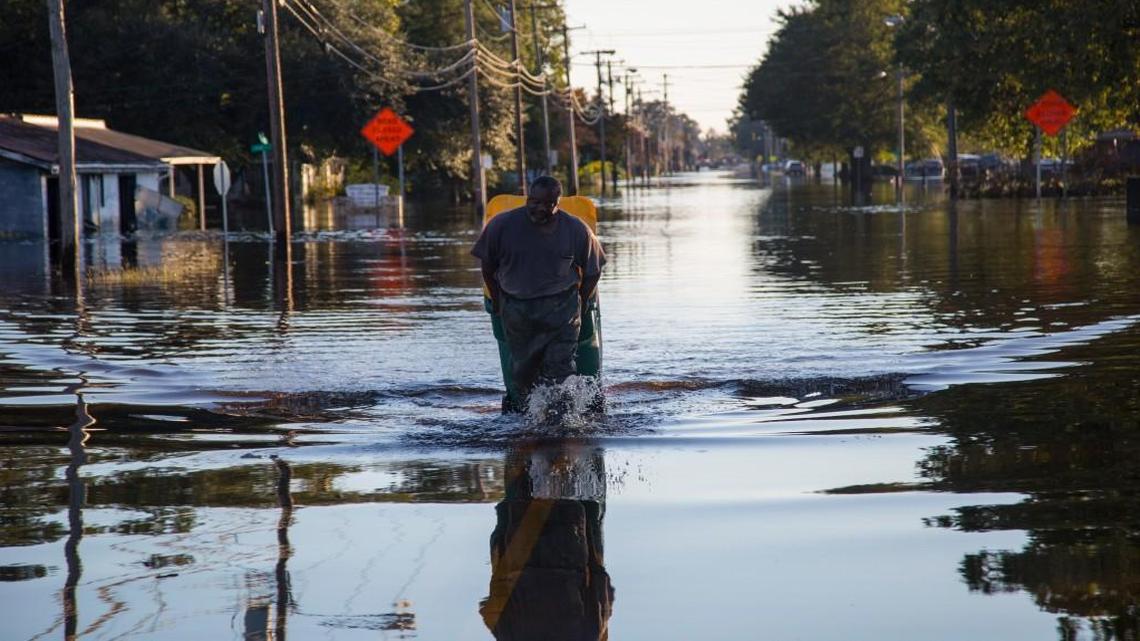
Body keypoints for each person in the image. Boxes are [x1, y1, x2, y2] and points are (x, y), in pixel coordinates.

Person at [471, 176, 606, 411]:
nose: (540, 208)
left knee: (560, 370)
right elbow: (488, 266)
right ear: (528, 198)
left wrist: (581, 301)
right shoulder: (501, 226)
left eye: (548, 204)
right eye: (534, 202)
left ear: (558, 202)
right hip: (517, 309)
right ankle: (529, 418)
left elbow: (593, 271)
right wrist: (498, 299)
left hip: (562, 310)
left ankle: (561, 421)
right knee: (523, 370)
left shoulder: (575, 229)